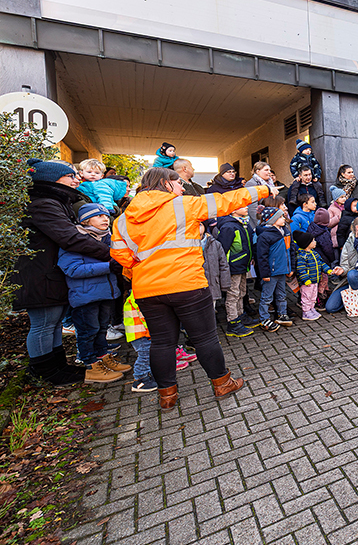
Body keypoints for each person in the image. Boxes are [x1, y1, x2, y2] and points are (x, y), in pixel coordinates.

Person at [110, 167, 271, 410]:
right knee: (205, 338)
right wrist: (263, 188)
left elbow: (121, 256)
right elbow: (225, 201)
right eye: (178, 184)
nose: (183, 188)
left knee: (161, 342)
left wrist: (145, 270)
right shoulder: (182, 205)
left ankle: (167, 396)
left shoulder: (123, 219)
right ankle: (222, 383)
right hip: (187, 284)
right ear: (165, 184)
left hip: (147, 289)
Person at [13, 159, 115, 386]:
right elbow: (70, 237)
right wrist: (109, 255)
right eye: (70, 176)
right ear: (53, 179)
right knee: (44, 323)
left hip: (49, 273)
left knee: (55, 321)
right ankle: (45, 371)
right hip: (39, 275)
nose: (76, 179)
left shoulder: (55, 202)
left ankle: (57, 366)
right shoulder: (43, 204)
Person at [57, 203, 129, 384]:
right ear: (86, 220)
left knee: (101, 329)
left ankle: (102, 357)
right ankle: (90, 365)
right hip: (85, 296)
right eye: (99, 216)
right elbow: (72, 269)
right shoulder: (75, 240)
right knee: (88, 331)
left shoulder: (108, 238)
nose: (105, 219)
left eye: (106, 216)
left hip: (106, 293)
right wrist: (107, 267)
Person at [216, 205, 257, 337]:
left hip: (243, 264)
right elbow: (223, 250)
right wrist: (227, 266)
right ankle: (232, 322)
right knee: (233, 294)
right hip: (233, 267)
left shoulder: (244, 223)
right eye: (242, 206)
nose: (246, 207)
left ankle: (241, 315)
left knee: (242, 291)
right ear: (233, 210)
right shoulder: (229, 227)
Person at [254, 207, 294, 332]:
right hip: (271, 273)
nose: (284, 218)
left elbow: (290, 250)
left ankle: (282, 314)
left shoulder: (285, 231)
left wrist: (290, 268)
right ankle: (264, 318)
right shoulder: (265, 236)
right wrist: (264, 273)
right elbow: (261, 257)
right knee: (267, 297)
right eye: (281, 217)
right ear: (272, 220)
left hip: (282, 270)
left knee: (282, 294)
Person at [293, 230, 339, 321]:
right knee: (306, 296)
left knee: (313, 296)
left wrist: (328, 270)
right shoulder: (302, 256)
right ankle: (306, 312)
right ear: (307, 243)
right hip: (307, 282)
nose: (315, 242)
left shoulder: (314, 253)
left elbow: (322, 264)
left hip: (315, 280)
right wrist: (306, 279)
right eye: (313, 241)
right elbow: (301, 270)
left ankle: (311, 308)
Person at [123, 290, 155, 392]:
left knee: (148, 354)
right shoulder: (138, 294)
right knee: (145, 355)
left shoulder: (137, 293)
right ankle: (140, 379)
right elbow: (144, 315)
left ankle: (148, 375)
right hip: (139, 333)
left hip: (141, 332)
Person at [246, 161, 275, 226]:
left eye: (269, 170)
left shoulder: (270, 183)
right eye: (266, 170)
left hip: (272, 219)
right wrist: (260, 224)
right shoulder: (251, 184)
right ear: (258, 171)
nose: (269, 172)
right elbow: (252, 208)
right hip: (261, 222)